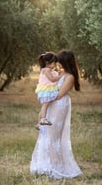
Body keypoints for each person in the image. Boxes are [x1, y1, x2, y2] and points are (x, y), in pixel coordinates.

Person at [30, 50, 83, 179]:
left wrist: (46, 101)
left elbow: (59, 94)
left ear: (65, 61)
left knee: (54, 136)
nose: (57, 63)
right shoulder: (60, 72)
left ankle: (55, 166)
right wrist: (45, 104)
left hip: (59, 106)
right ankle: (46, 164)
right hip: (53, 104)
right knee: (47, 133)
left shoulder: (69, 77)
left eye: (59, 61)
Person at [35, 52, 63, 130]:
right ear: (48, 63)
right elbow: (52, 79)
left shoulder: (50, 70)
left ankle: (39, 123)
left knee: (44, 106)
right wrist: (61, 76)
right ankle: (43, 119)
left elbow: (54, 76)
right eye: (54, 63)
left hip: (47, 90)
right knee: (45, 105)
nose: (55, 65)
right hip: (46, 91)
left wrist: (58, 73)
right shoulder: (46, 70)